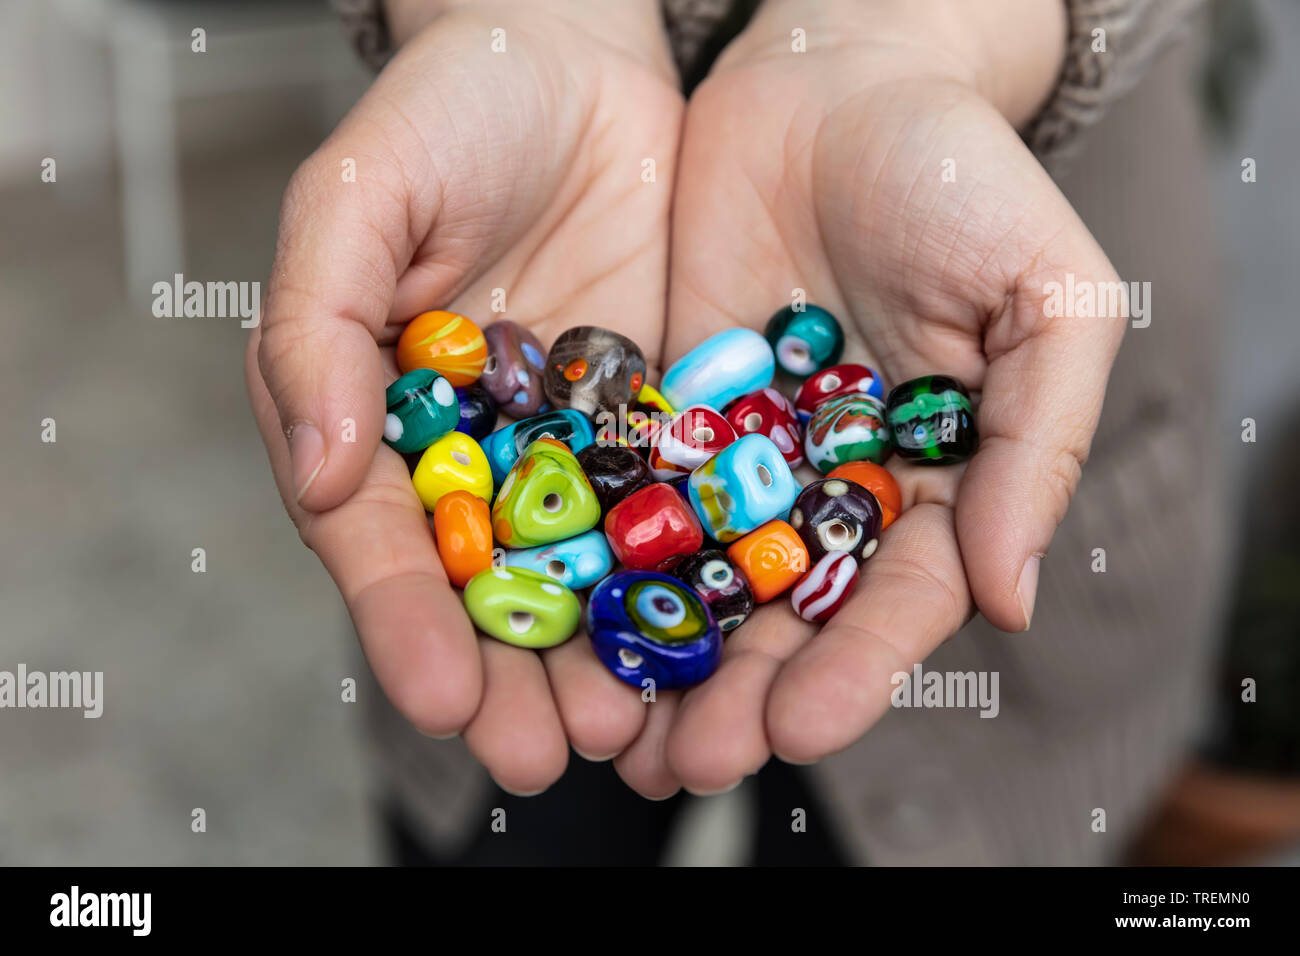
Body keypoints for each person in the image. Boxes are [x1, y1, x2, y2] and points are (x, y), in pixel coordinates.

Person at [246, 0, 1223, 863]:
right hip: (532, 234)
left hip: (984, 266)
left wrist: (920, 29)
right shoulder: (578, 451)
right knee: (511, 808)